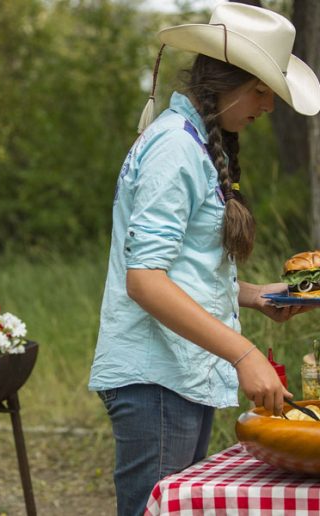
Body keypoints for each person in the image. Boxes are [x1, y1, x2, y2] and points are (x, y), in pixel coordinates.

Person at [88, 3, 320, 515]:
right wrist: (244, 354)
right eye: (261, 90)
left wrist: (256, 296)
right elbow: (145, 281)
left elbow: (178, 270)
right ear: (223, 80)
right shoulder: (174, 147)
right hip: (156, 377)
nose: (269, 106)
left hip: (177, 373)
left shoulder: (195, 144)